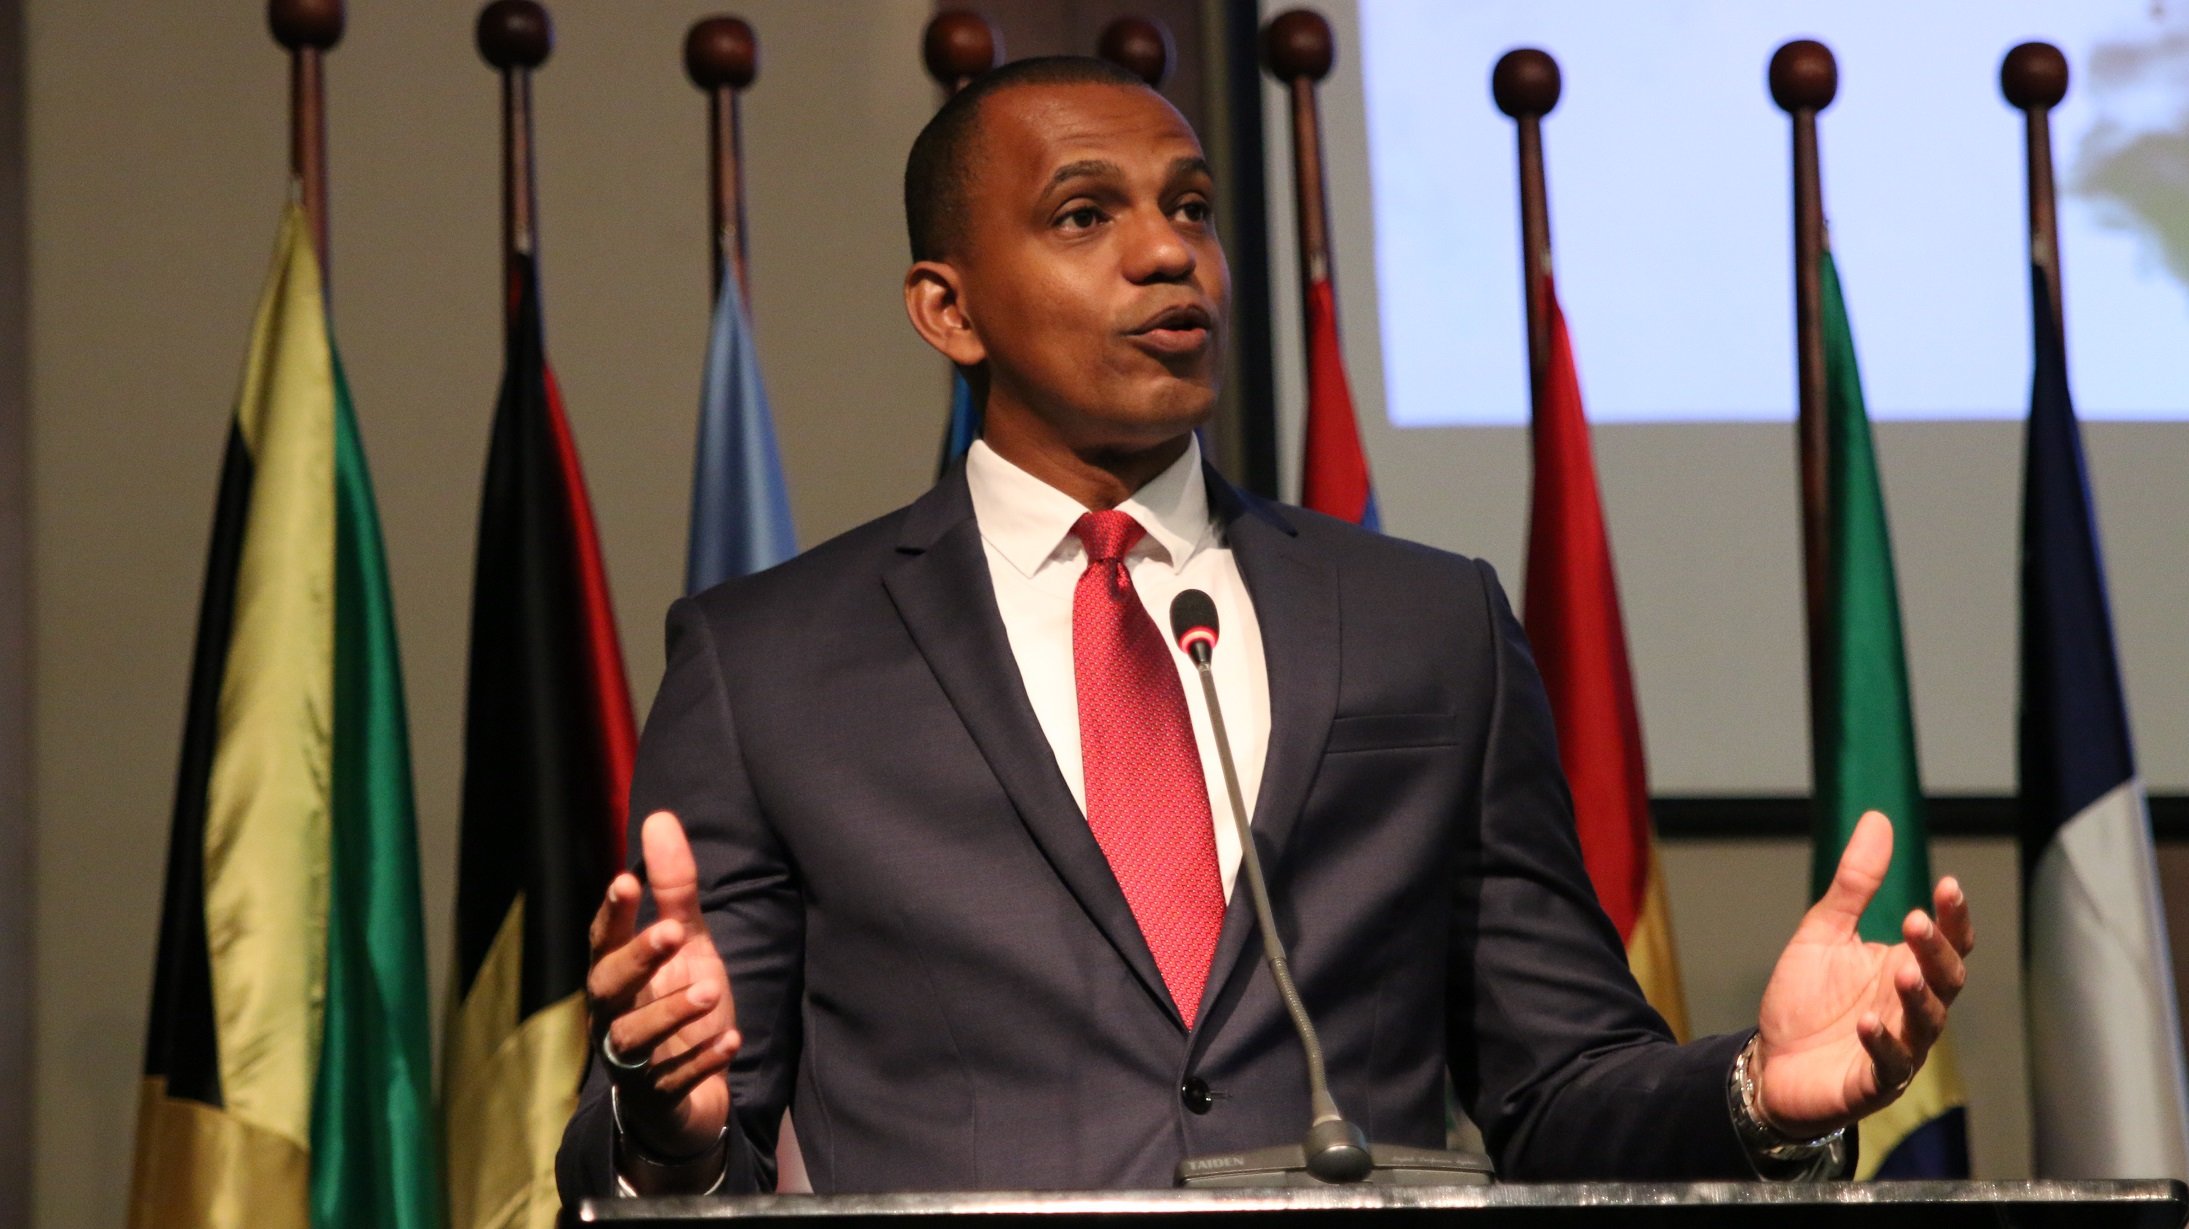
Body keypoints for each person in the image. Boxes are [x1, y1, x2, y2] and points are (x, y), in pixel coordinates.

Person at [556, 56, 1972, 1202]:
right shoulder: (771, 660)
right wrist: (662, 1117)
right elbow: (681, 1148)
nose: (1169, 252)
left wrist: (1755, 1092)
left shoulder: (1429, 623)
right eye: (1083, 215)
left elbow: (1555, 1088)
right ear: (948, 307)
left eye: (1189, 205)